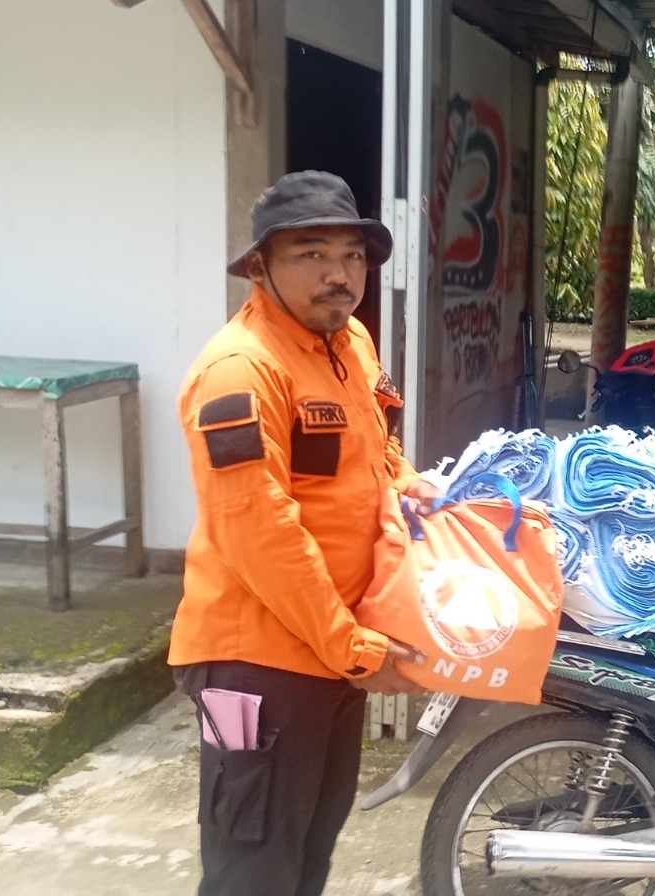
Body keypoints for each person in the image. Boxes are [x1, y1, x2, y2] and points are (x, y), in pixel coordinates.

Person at [170, 170, 439, 896]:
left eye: (352, 255)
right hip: (253, 664)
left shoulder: (347, 341)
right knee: (251, 860)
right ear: (261, 266)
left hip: (330, 652)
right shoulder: (239, 372)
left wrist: (418, 488)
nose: (338, 275)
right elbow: (259, 531)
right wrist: (352, 648)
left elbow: (374, 450)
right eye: (310, 254)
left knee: (312, 843)